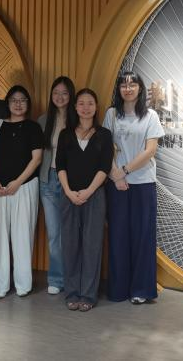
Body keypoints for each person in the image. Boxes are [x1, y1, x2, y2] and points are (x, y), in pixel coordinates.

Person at [103, 71, 165, 304]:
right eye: (123, 84)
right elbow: (105, 146)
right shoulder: (111, 114)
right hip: (117, 183)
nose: (128, 88)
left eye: (132, 84)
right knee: (118, 236)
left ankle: (141, 289)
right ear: (118, 89)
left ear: (140, 88)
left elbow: (150, 151)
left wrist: (125, 171)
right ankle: (118, 289)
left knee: (142, 236)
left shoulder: (150, 116)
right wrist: (114, 174)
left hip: (143, 182)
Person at [56, 89, 113, 311]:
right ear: (75, 107)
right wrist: (69, 192)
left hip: (95, 195)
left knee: (92, 245)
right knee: (70, 245)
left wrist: (88, 191)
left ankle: (88, 295)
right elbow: (60, 166)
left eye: (90, 103)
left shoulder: (104, 134)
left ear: (96, 107)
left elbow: (104, 167)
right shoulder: (65, 134)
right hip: (68, 195)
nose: (86, 107)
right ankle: (72, 293)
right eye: (81, 103)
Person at [0, 85, 43, 298]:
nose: (18, 104)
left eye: (22, 100)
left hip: (25, 187)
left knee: (23, 236)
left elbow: (36, 159)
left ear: (28, 104)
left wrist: (18, 183)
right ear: (8, 103)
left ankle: (23, 284)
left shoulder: (33, 127)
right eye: (14, 100)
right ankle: (1, 285)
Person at [37, 76, 77, 295]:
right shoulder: (44, 120)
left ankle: (74, 278)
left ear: (71, 95)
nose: (60, 97)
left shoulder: (78, 118)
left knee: (72, 231)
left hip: (72, 181)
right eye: (56, 93)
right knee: (54, 234)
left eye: (64, 93)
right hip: (48, 180)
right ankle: (56, 278)